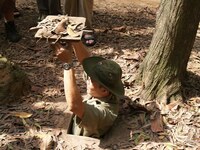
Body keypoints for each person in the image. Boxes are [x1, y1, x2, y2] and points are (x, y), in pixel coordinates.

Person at [51, 41, 124, 138]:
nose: (88, 79)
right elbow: (86, 60)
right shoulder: (106, 86)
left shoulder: (103, 113)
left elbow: (74, 106)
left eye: (91, 79)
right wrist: (74, 40)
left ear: (104, 90)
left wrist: (67, 64)